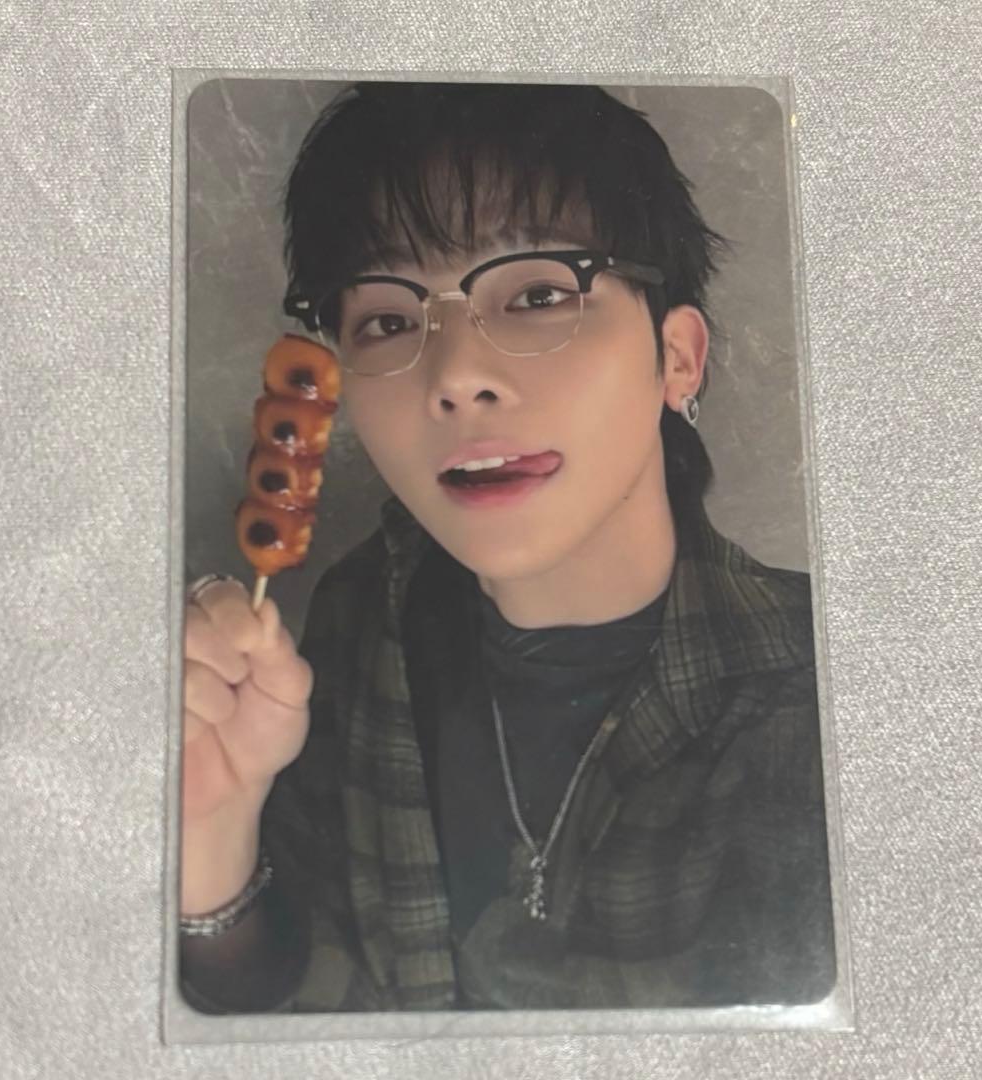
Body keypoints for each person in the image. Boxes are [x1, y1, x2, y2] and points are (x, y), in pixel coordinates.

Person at [177, 81, 836, 1013]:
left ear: (677, 358)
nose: (456, 376)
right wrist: (213, 833)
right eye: (389, 320)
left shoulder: (827, 703)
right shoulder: (353, 623)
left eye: (536, 294)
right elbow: (301, 1007)